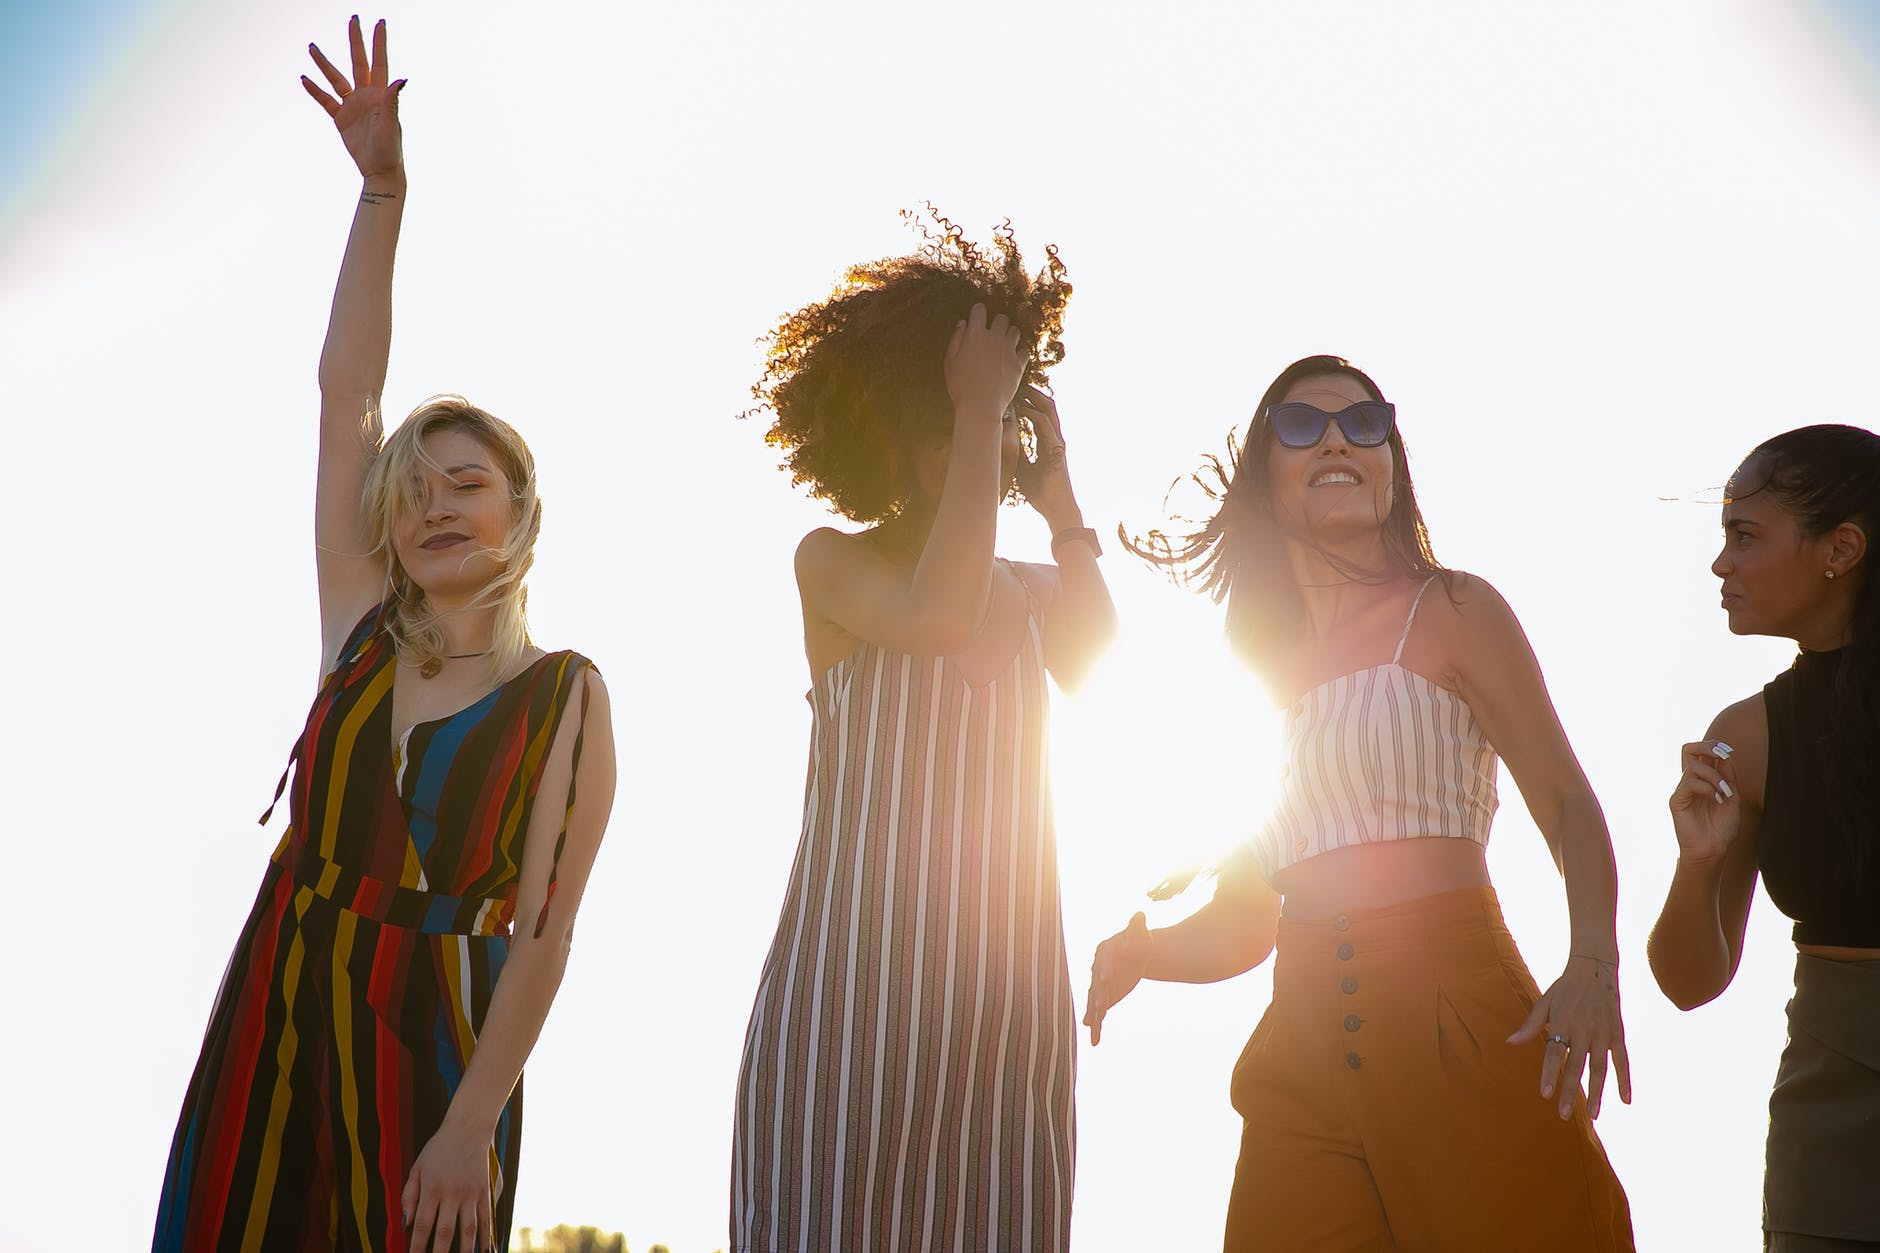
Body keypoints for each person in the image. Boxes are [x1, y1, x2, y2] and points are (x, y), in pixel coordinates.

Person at [152, 20, 616, 1253]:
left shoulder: (565, 694)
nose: (432, 505)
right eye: (414, 490)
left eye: (464, 482)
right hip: (278, 1001)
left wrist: (472, 1124)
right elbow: (345, 399)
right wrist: (380, 194)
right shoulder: (358, 624)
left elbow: (547, 934)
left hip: (440, 1046)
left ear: (518, 509)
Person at [1085, 355, 1634, 1251]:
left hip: (1457, 1013)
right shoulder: (1256, 675)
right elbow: (1246, 922)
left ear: (1392, 456)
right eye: (1303, 425)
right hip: (1300, 1048)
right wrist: (1146, 953)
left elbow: (1568, 804)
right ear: (1266, 470)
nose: (1337, 437)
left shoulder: (1454, 608)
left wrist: (1593, 962)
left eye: (1364, 421)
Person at [729, 219, 1117, 1252]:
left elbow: (1102, 664)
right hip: (846, 1017)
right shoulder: (832, 567)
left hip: (1002, 1029)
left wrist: (1061, 498)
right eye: (946, 418)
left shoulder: (1034, 592)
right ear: (894, 432)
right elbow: (937, 612)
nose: (979, 445)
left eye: (992, 422)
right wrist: (982, 401)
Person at [1648, 425, 1880, 1252]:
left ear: (1840, 548)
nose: (1722, 565)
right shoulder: (1744, 739)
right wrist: (1696, 862)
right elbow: (1689, 980)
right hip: (1829, 1118)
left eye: (1745, 536)